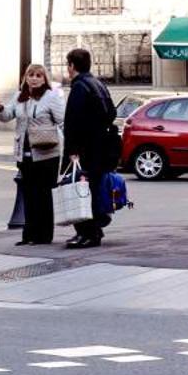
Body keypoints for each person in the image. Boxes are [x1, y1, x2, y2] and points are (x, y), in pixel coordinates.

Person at [0, 64, 66, 247]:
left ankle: (43, 236)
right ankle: (28, 234)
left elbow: (63, 122)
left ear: (44, 78)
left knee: (43, 195)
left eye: (39, 75)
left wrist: (71, 149)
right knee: (29, 195)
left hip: (47, 154)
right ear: (25, 77)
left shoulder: (51, 97)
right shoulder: (20, 97)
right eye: (31, 75)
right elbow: (7, 116)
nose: (35, 78)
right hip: (25, 154)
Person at [60, 48, 118, 249]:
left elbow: (73, 122)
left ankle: (87, 233)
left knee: (81, 190)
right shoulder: (98, 84)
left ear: (72, 66)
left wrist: (73, 150)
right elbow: (111, 112)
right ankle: (94, 231)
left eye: (68, 65)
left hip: (85, 149)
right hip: (100, 148)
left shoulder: (79, 87)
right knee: (92, 189)